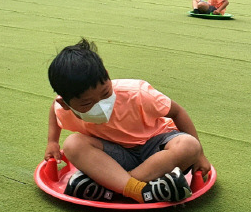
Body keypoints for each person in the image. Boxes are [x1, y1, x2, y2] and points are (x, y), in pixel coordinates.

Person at [44, 39, 211, 203]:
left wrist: (200, 155)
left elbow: (178, 112)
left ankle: (115, 187)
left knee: (190, 146)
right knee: (73, 144)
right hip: (116, 156)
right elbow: (54, 108)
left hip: (156, 146)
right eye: (87, 103)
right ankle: (146, 189)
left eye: (105, 93)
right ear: (66, 104)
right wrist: (53, 142)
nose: (101, 105)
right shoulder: (64, 108)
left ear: (108, 77)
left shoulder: (136, 93)